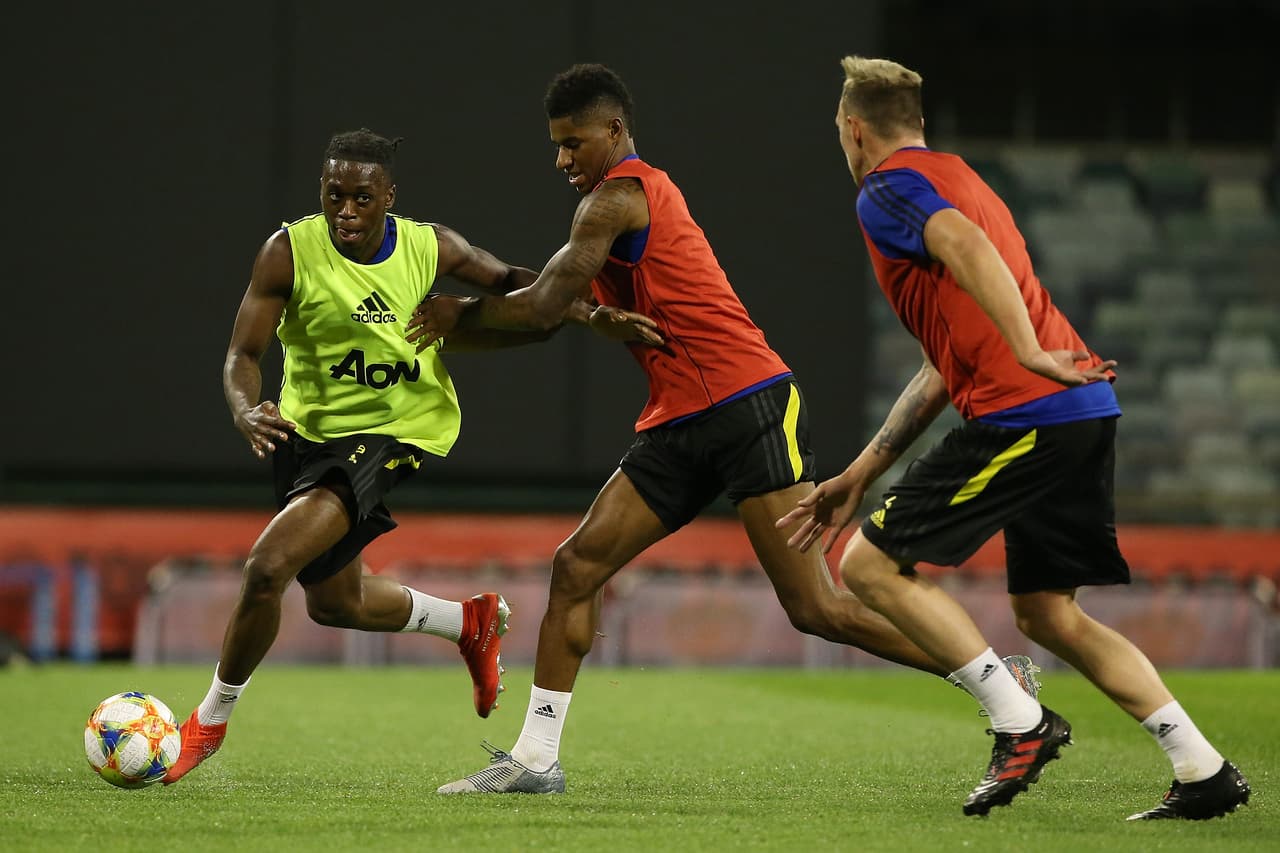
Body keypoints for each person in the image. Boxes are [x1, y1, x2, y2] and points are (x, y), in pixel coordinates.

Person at [408, 64, 1041, 796]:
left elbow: (544, 305)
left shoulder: (619, 197)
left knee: (817, 607)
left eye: (572, 142)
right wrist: (490, 319)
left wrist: (458, 317)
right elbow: (547, 298)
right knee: (577, 565)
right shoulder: (607, 204)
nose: (562, 160)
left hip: (748, 404)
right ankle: (535, 758)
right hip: (680, 419)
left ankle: (999, 675)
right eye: (555, 145)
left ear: (614, 132)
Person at [778, 56, 1252, 820]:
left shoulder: (885, 189)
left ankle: (1018, 720)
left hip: (1028, 408)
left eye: (839, 129)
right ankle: (1201, 767)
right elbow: (943, 365)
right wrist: (864, 469)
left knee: (866, 564)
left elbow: (965, 246)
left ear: (853, 127)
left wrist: (1028, 351)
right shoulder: (958, 174)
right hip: (1081, 407)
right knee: (1047, 614)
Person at [163, 128, 659, 784]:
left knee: (267, 567)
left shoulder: (429, 245)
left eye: (361, 198)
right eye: (333, 195)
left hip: (394, 431)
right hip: (306, 436)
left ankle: (209, 720)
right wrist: (243, 406)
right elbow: (242, 356)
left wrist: (590, 314)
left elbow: (517, 282)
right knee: (334, 602)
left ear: (388, 198)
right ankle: (468, 621)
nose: (345, 210)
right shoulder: (287, 252)